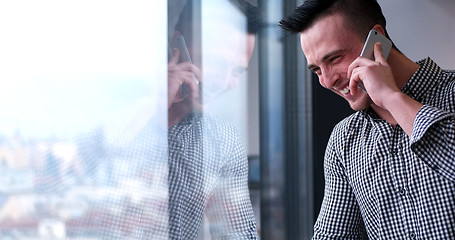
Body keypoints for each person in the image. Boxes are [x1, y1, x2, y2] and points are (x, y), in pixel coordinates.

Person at [279, 0, 455, 239]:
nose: (327, 81)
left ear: (378, 40)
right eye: (317, 70)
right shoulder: (344, 141)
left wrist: (392, 97)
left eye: (333, 59)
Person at [166, 0, 259, 239]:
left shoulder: (223, 138)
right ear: (177, 44)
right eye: (217, 63)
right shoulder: (122, 113)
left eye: (237, 71)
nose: (223, 82)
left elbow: (237, 232)